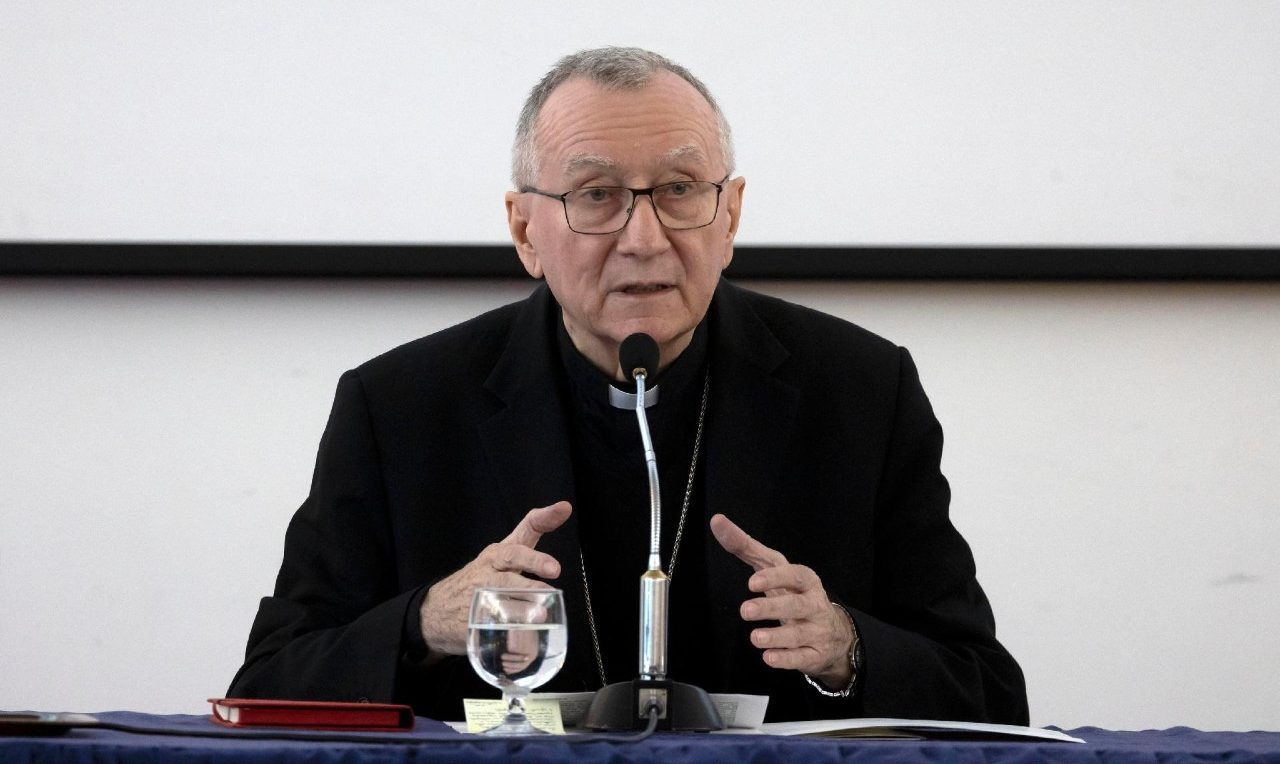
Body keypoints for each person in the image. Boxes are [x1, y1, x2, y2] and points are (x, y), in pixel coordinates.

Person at [229, 47, 1028, 724]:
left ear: (730, 215)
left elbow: (991, 694)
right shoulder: (400, 407)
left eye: (680, 190)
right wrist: (423, 622)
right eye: (596, 196)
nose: (644, 239)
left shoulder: (860, 392)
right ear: (524, 230)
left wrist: (847, 649)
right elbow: (265, 687)